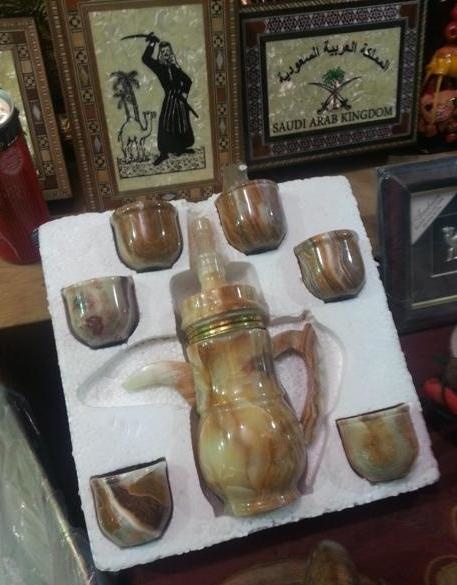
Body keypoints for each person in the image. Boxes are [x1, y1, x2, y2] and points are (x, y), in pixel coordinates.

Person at [142, 36, 196, 166]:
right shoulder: (159, 67)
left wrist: (184, 93)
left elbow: (188, 81)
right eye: (163, 51)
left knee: (182, 123)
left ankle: (181, 148)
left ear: (171, 52)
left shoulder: (174, 66)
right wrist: (152, 44)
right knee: (165, 123)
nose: (166, 53)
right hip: (169, 100)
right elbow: (146, 59)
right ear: (160, 53)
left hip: (180, 100)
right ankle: (164, 153)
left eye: (168, 51)